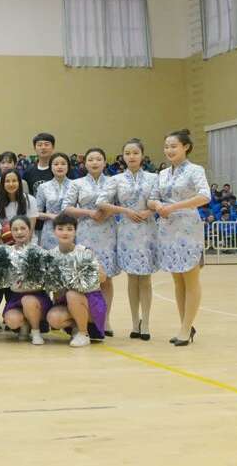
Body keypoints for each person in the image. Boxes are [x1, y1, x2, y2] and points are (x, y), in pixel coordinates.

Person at [147, 129, 210, 346]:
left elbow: (205, 196)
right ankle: (186, 325)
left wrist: (173, 207)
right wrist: (158, 205)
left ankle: (185, 328)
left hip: (187, 228)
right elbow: (152, 198)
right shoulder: (163, 173)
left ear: (186, 147)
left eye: (173, 146)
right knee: (177, 279)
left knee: (190, 278)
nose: (169, 150)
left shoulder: (195, 170)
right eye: (166, 147)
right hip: (167, 229)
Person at [97, 138, 158, 341]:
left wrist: (149, 212)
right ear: (122, 156)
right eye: (127, 153)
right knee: (132, 277)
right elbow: (101, 202)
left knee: (145, 278)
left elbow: (160, 201)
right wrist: (125, 211)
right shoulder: (115, 179)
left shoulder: (153, 178)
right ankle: (134, 323)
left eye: (135, 153)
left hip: (147, 229)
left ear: (142, 155)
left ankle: (146, 322)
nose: (131, 156)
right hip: (126, 231)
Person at [62, 148, 119, 336]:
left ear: (104, 162)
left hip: (107, 232)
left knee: (106, 278)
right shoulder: (76, 183)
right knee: (84, 277)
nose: (95, 162)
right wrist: (89, 213)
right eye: (91, 159)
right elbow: (67, 208)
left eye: (98, 159)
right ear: (84, 163)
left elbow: (120, 204)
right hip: (85, 233)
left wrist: (106, 213)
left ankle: (106, 320)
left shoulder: (113, 182)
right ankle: (85, 320)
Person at [45, 213, 109, 348]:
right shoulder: (50, 256)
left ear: (75, 231)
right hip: (66, 302)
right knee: (53, 318)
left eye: (69, 229)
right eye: (60, 229)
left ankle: (83, 333)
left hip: (90, 301)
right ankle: (76, 327)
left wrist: (79, 279)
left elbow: (103, 277)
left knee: (72, 294)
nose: (65, 232)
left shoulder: (84, 252)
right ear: (54, 231)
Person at [1, 216, 50, 345]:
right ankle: (25, 325)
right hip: (16, 297)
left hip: (37, 297)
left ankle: (36, 331)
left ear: (30, 230)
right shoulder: (6, 253)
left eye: (23, 228)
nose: (19, 232)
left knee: (28, 301)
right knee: (11, 320)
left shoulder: (40, 252)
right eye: (15, 229)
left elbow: (49, 280)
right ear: (11, 232)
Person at [35, 152, 73, 250]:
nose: (59, 167)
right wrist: (50, 216)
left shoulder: (76, 185)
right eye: (56, 164)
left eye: (63, 164)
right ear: (51, 167)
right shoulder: (43, 187)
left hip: (71, 228)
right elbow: (36, 213)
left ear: (68, 166)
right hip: (50, 229)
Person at [0, 169, 39, 243]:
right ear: (2, 184)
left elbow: (31, 228)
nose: (11, 184)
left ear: (19, 183)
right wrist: (4, 246)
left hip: (27, 242)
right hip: (5, 243)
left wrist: (25, 246)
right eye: (7, 181)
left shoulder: (30, 200)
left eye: (14, 181)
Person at [23, 133, 56, 198]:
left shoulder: (59, 169)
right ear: (34, 148)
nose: (43, 147)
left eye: (46, 144)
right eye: (39, 145)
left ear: (53, 147)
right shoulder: (28, 172)